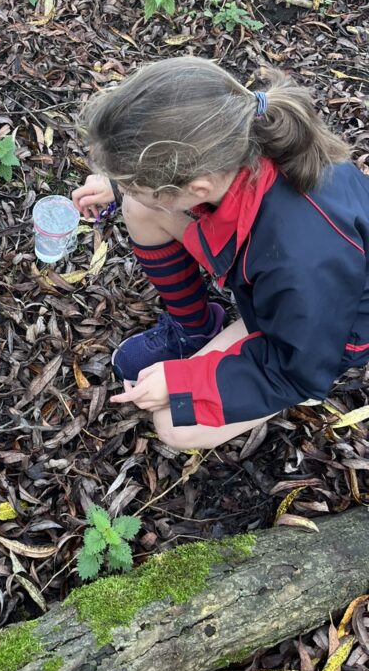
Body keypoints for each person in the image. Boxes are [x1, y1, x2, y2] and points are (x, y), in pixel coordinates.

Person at [72, 57, 369, 451]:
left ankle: (215, 349)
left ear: (196, 188)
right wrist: (123, 182)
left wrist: (184, 383)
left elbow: (298, 368)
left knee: (174, 425)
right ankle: (194, 329)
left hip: (318, 331)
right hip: (261, 268)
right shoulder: (235, 132)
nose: (125, 187)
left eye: (134, 182)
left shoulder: (304, 262)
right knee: (141, 209)